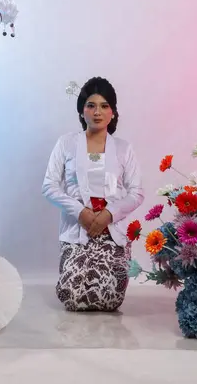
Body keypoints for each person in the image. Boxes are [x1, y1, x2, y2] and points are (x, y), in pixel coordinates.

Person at [42, 77, 144, 312]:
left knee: (110, 300)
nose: (97, 112)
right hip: (79, 228)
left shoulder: (123, 148)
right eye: (91, 105)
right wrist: (80, 212)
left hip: (112, 230)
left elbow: (137, 192)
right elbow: (49, 186)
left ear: (113, 113)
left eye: (104, 106)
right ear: (81, 111)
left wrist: (109, 213)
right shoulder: (66, 143)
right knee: (71, 297)